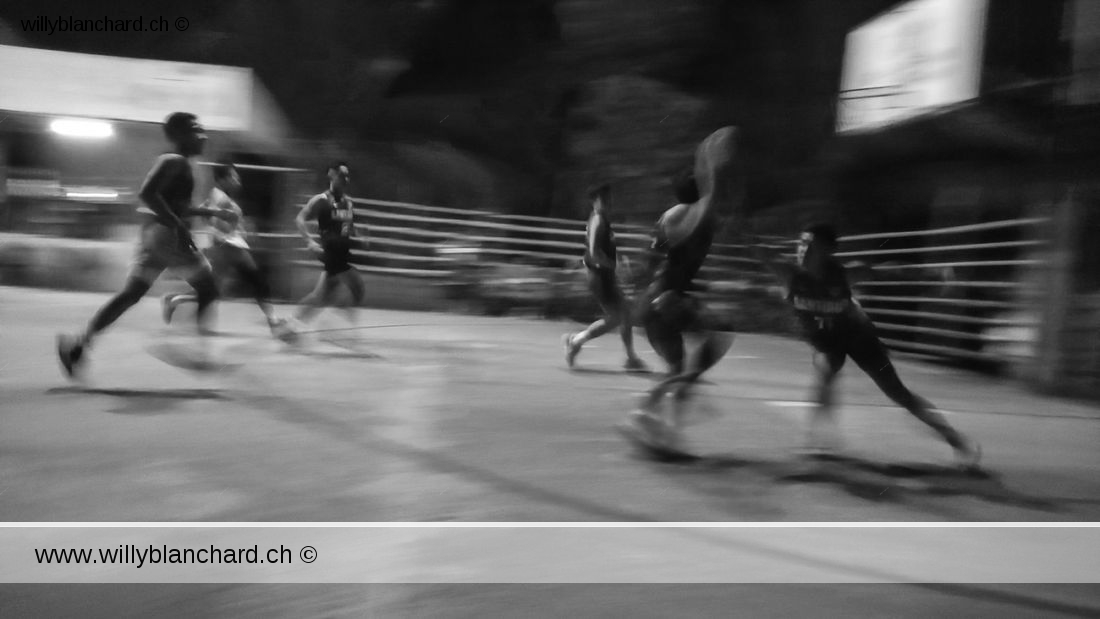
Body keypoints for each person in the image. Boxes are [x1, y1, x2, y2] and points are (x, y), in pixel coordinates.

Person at [754, 223, 982, 469]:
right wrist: (724, 219)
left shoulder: (845, 274)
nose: (802, 250)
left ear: (828, 251)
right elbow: (755, 248)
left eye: (811, 245)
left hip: (859, 338)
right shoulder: (787, 273)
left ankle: (958, 442)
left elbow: (891, 272)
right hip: (827, 342)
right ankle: (818, 442)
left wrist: (932, 275)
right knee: (824, 372)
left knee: (898, 394)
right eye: (801, 243)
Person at [57, 112, 230, 377]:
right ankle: (200, 354)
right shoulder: (174, 161)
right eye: (196, 130)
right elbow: (147, 193)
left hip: (157, 237)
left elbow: (176, 206)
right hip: (168, 236)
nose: (203, 135)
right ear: (179, 136)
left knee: (131, 294)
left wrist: (209, 214)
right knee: (209, 289)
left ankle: (78, 345)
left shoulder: (180, 164)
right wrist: (178, 225)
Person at [619, 127, 742, 451]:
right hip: (666, 300)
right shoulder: (689, 215)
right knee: (718, 334)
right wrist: (709, 161)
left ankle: (653, 421)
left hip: (656, 302)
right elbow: (711, 200)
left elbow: (652, 260)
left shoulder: (671, 216)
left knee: (679, 368)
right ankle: (656, 409)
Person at [161, 161, 285, 336]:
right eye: (233, 177)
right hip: (228, 247)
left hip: (225, 247)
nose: (237, 180)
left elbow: (207, 216)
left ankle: (175, 299)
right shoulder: (221, 198)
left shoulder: (217, 195)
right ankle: (273, 322)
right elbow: (217, 222)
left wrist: (237, 226)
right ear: (223, 179)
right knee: (257, 281)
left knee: (213, 291)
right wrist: (233, 227)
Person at [562, 183, 647, 371]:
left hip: (604, 275)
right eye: (604, 199)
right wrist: (613, 266)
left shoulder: (603, 220)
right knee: (618, 317)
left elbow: (604, 250)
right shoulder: (598, 220)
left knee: (624, 315)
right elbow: (594, 252)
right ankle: (576, 341)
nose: (609, 202)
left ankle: (631, 358)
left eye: (610, 198)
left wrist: (617, 264)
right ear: (595, 201)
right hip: (599, 277)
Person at [288, 162, 367, 330]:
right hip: (331, 252)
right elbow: (300, 219)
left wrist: (359, 237)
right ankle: (330, 321)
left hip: (343, 252)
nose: (344, 181)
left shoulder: (349, 203)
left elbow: (349, 226)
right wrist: (309, 240)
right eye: (341, 177)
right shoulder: (321, 200)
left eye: (346, 178)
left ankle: (293, 325)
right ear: (332, 175)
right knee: (356, 286)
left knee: (321, 296)